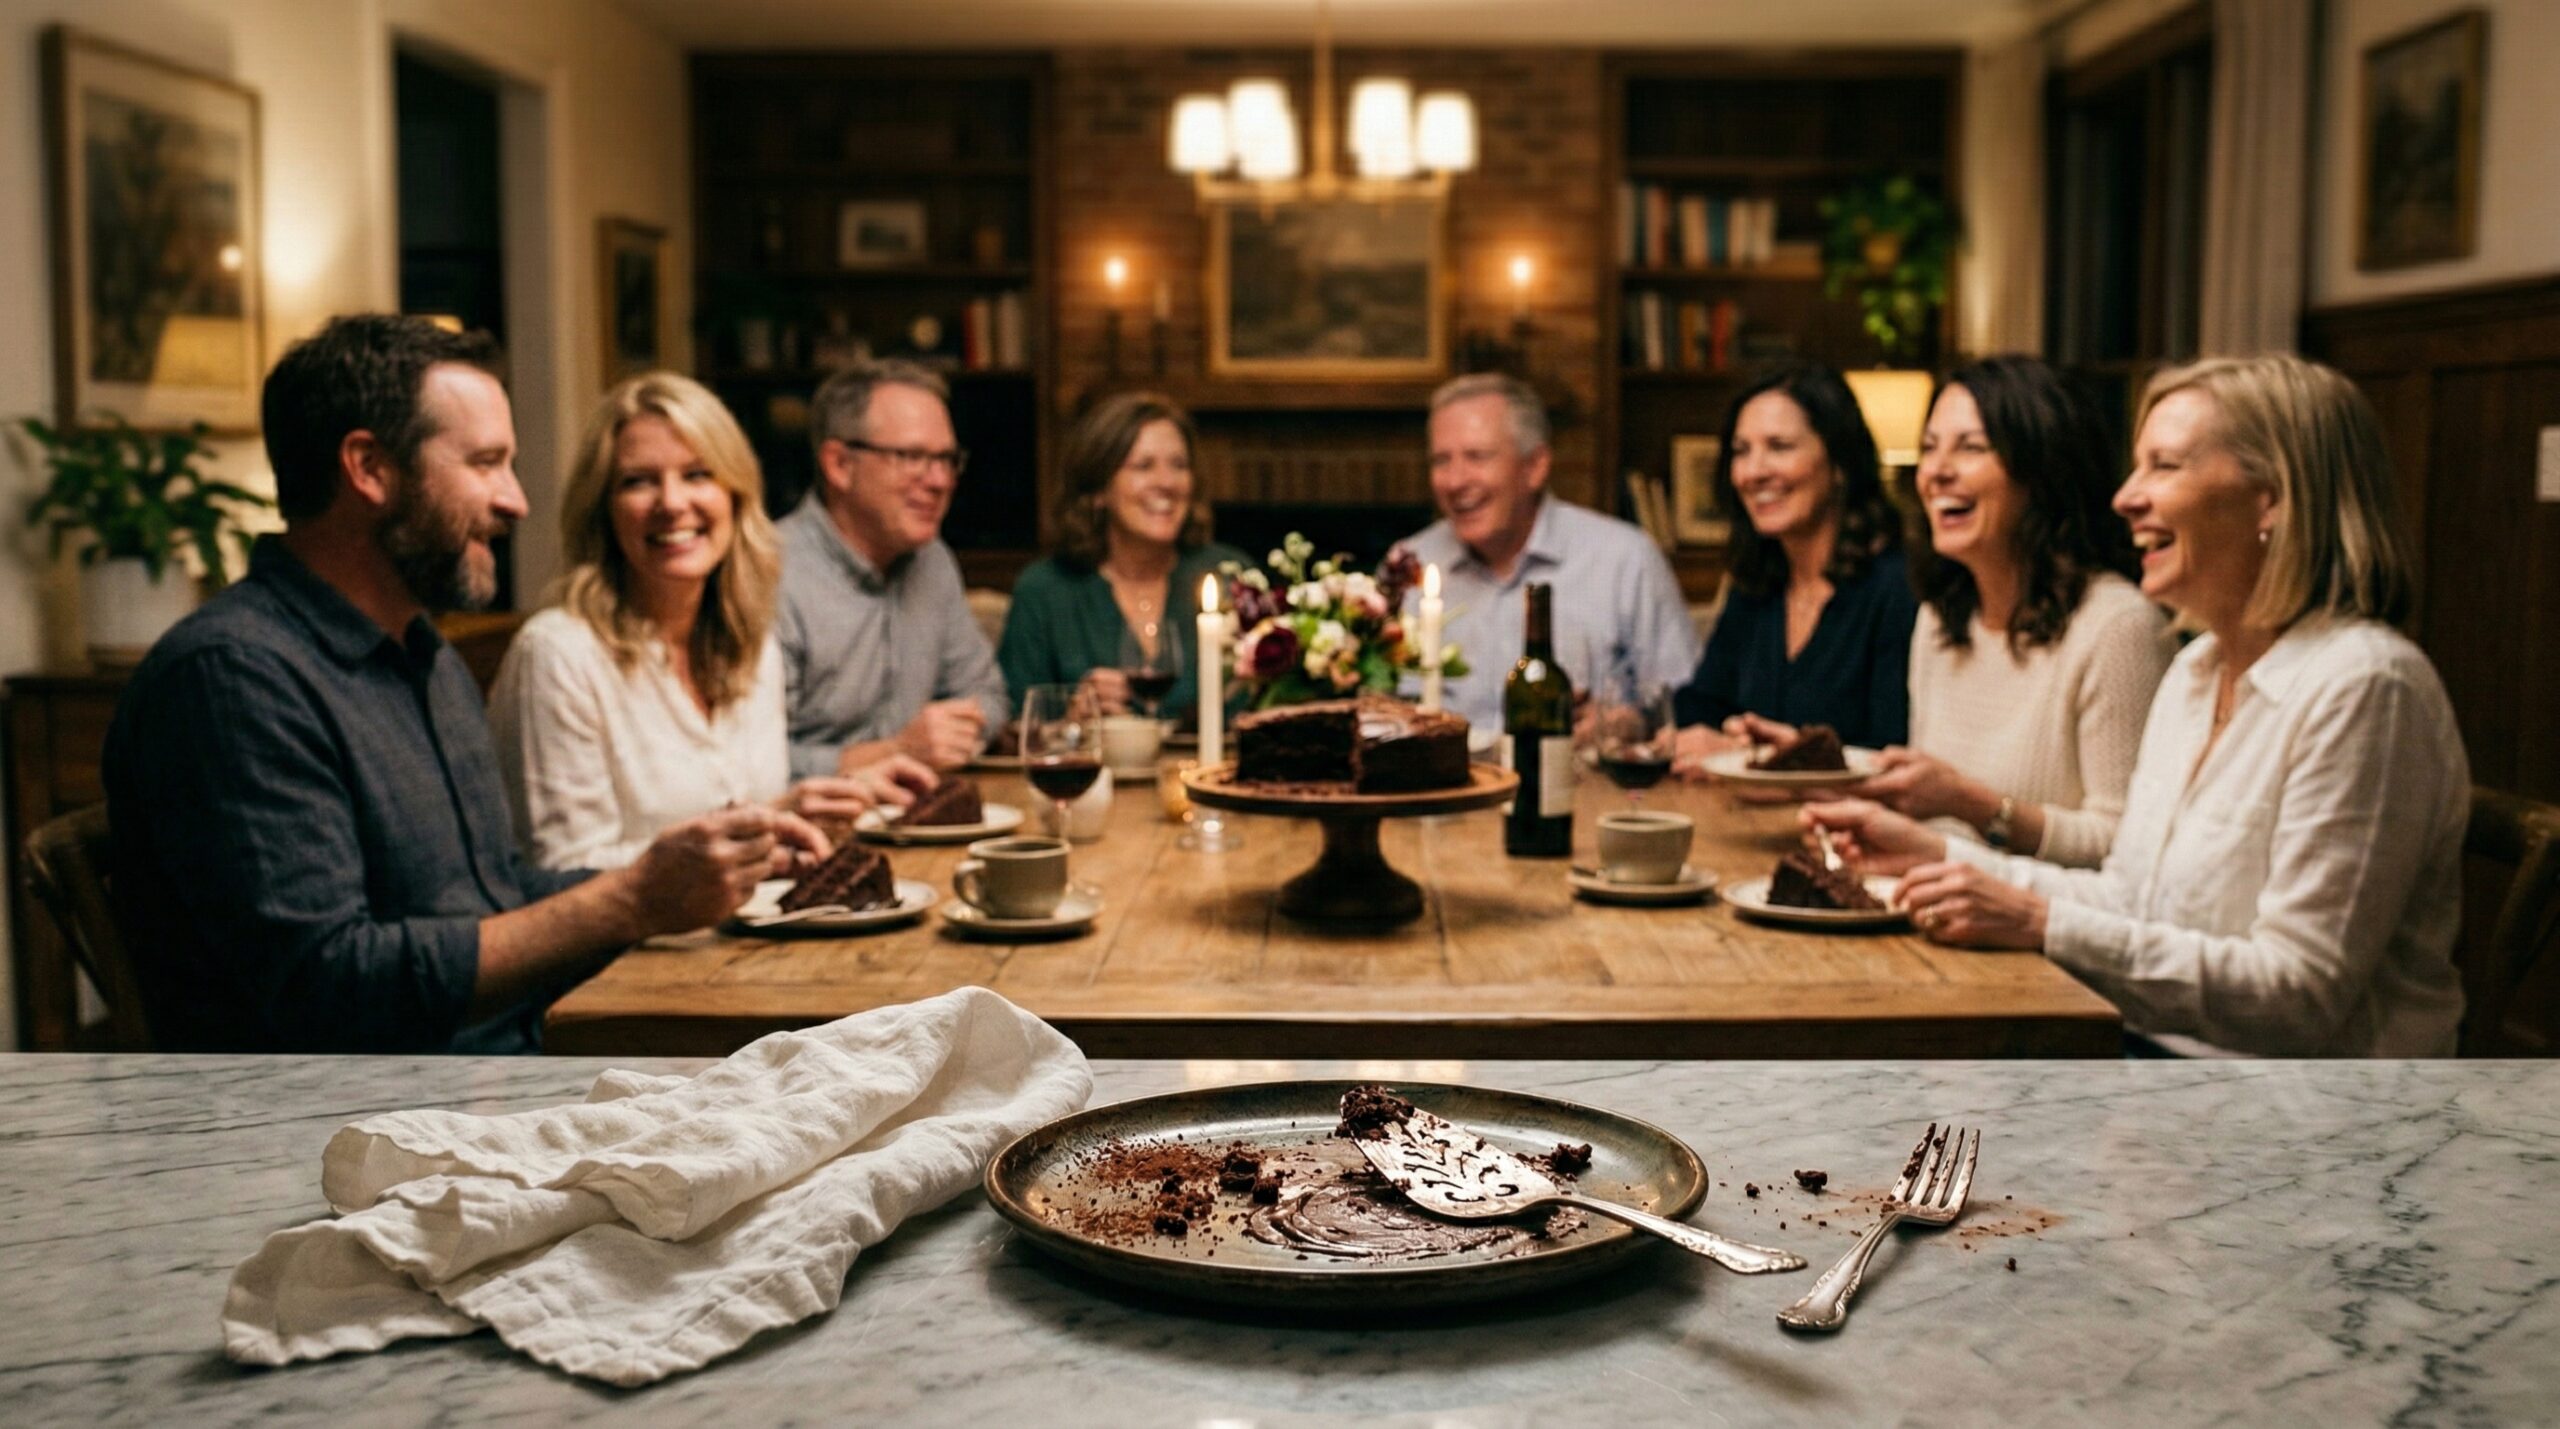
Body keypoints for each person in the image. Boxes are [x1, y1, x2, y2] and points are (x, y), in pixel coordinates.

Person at [102, 316, 821, 1054]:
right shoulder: (234, 676)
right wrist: (631, 898)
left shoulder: (425, 654)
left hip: (506, 1065)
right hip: (364, 1125)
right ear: (370, 468)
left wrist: (682, 873)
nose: (516, 501)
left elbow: (496, 894)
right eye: (486, 463)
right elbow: (326, 989)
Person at [1809, 354, 2469, 1058]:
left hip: (2315, 1120)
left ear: (2274, 496)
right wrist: (1933, 853)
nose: (2126, 496)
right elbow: (2132, 897)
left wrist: (2039, 920)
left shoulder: (2366, 685)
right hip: (2151, 1061)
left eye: (2165, 465)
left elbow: (2300, 994)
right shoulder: (2195, 670)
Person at [488, 373, 935, 870]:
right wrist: (764, 826)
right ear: (602, 511)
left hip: (753, 939)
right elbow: (565, 874)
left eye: (697, 474)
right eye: (638, 481)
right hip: (631, 951)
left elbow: (742, 817)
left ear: (735, 496)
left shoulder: (752, 645)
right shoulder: (558, 655)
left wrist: (838, 795)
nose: (672, 503)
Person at [1854, 355, 2173, 866]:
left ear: (2042, 469)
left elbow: (2122, 849)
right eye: (1930, 448)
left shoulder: (2119, 627)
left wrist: (1971, 803)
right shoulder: (1941, 616)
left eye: (1972, 448)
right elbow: (1933, 823)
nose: (1935, 472)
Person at [1397, 372, 1697, 731]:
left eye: (1477, 457)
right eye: (1440, 461)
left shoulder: (1624, 559)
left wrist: (1628, 722)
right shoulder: (1408, 564)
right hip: (1446, 784)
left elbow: (1688, 702)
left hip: (1582, 782)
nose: (1455, 480)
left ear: (1535, 466)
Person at [1673, 361, 1917, 760]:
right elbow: (1703, 706)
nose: (1753, 472)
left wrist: (1754, 755)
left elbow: (1892, 750)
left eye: (1779, 447)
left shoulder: (1896, 588)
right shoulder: (1757, 584)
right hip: (1748, 817)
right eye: (1741, 451)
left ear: (1839, 464)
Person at [777, 358, 1010, 775]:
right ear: (839, 466)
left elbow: (988, 695)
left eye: (946, 459)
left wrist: (952, 733)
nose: (939, 481)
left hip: (918, 820)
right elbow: (740, 762)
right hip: (804, 830)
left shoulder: (933, 561)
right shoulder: (770, 573)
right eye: (912, 456)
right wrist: (896, 752)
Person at [996, 391, 1247, 719]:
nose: (1167, 483)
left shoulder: (1229, 575)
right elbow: (1008, 728)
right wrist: (1072, 719)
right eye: (1143, 466)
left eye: (1179, 465)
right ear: (1098, 490)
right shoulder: (1044, 590)